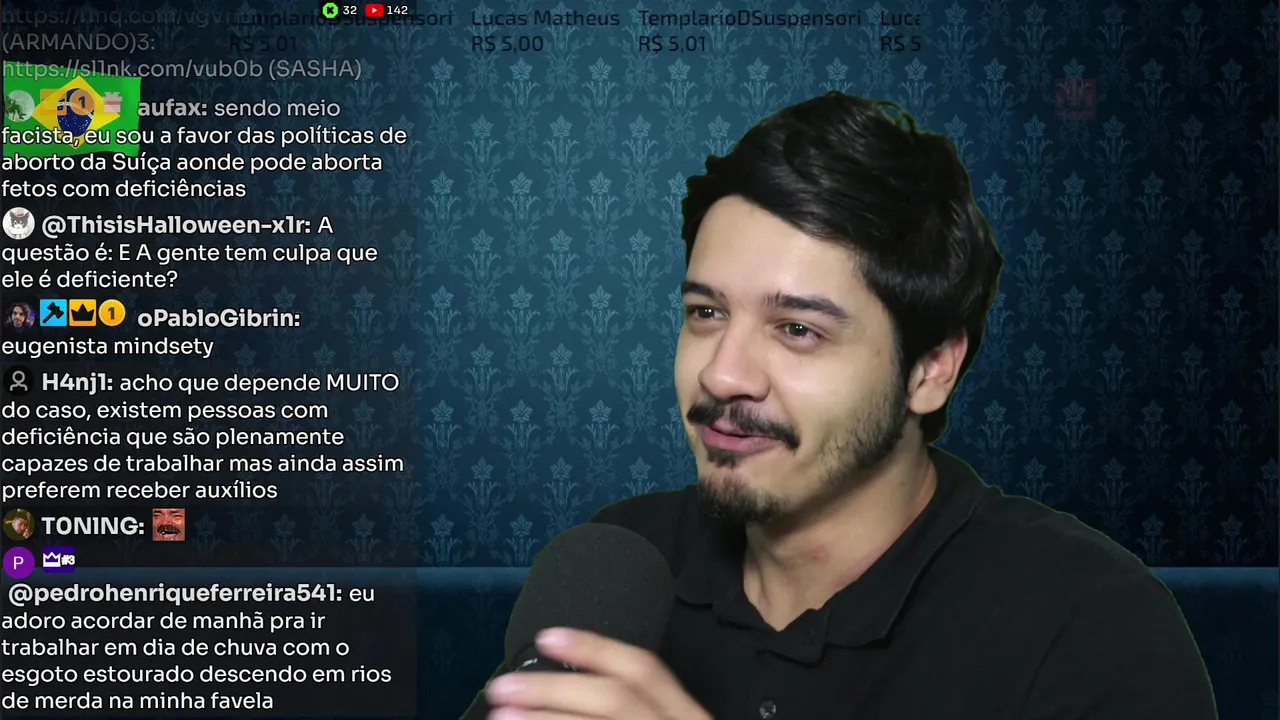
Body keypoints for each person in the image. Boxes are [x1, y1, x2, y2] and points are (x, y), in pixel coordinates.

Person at [467, 92, 1217, 719]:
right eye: (706, 314)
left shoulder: (1092, 627)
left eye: (798, 329)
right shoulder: (621, 563)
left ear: (931, 369)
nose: (723, 374)